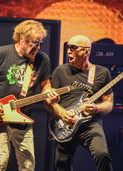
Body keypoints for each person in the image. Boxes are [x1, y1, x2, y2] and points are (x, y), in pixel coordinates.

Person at [0, 20, 55, 171]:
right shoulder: (1, 53)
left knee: (28, 165)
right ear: (22, 38)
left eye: (40, 43)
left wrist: (48, 93)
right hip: (0, 117)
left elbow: (45, 84)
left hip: (23, 118)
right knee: (0, 162)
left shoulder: (42, 60)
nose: (38, 47)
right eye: (34, 43)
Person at [46, 34, 114, 171]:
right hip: (66, 124)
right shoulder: (60, 71)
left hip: (90, 124)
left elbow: (109, 103)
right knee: (62, 163)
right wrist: (62, 113)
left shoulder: (102, 73)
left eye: (73, 48)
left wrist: (96, 108)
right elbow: (48, 102)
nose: (68, 51)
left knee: (102, 154)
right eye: (68, 47)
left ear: (86, 51)